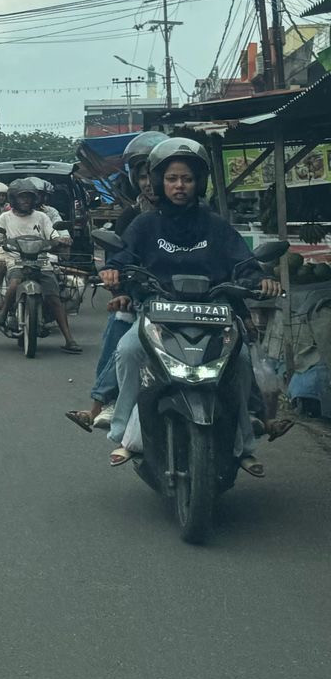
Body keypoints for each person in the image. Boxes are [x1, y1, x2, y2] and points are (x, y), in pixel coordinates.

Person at [101, 138, 280, 475]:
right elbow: (122, 258)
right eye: (171, 179)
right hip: (158, 312)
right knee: (127, 351)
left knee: (240, 363)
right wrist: (112, 272)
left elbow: (243, 262)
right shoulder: (144, 225)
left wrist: (260, 279)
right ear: (159, 182)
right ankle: (123, 433)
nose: (179, 186)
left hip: (214, 315)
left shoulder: (216, 226)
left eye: (187, 179)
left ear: (199, 183)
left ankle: (244, 445)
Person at [65, 132, 164, 432]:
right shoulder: (133, 217)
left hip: (195, 302)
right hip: (144, 299)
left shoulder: (201, 216)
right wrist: (120, 289)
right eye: (143, 176)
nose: (149, 183)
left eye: (155, 175)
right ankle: (99, 404)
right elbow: (118, 260)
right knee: (121, 326)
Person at [0, 177, 81, 352]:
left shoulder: (42, 217)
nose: (25, 200)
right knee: (14, 283)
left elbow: (53, 234)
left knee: (54, 297)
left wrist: (61, 239)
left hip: (41, 261)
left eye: (29, 197)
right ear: (14, 198)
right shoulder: (5, 217)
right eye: (22, 197)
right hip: (16, 260)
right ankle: (4, 312)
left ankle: (69, 339)